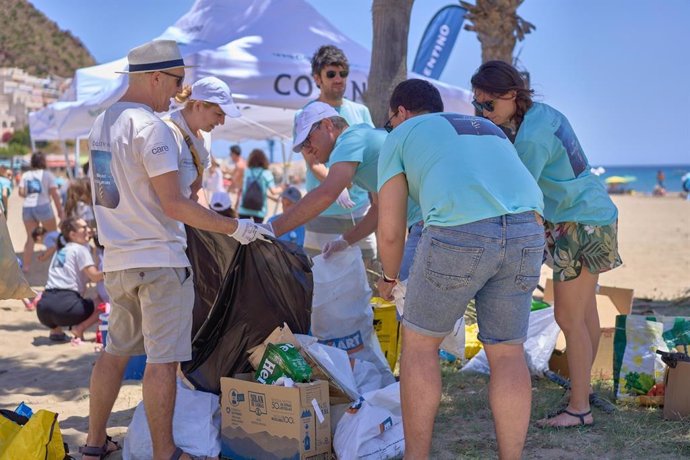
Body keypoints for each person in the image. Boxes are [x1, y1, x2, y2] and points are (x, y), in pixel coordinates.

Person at [81, 40, 271, 460]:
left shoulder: (101, 125)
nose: (177, 92)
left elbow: (107, 195)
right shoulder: (153, 127)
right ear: (155, 77)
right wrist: (233, 227)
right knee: (163, 362)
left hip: (118, 259)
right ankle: (165, 452)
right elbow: (175, 204)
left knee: (114, 352)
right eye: (177, 81)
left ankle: (95, 443)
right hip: (160, 260)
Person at [376, 79, 544, 459]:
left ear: (400, 113)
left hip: (459, 229)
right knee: (507, 352)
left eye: (390, 123)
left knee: (420, 346)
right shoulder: (486, 127)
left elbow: (389, 232)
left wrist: (389, 278)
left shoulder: (401, 136)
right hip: (529, 229)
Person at [471, 61, 622, 429]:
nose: (484, 113)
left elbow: (519, 195)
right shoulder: (543, 114)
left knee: (567, 317)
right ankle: (583, 392)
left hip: (580, 223)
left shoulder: (530, 140)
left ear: (511, 95)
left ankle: (579, 409)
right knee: (584, 313)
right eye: (478, 106)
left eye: (488, 105)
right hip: (592, 215)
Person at [269, 102, 424, 275]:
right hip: (426, 220)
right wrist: (344, 241)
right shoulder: (362, 134)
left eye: (307, 140)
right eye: (302, 147)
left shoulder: (347, 143)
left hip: (425, 223)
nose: (307, 150)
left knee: (407, 291)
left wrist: (272, 229)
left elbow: (326, 194)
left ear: (327, 125)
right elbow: (378, 208)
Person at [297, 45, 379, 261]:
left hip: (360, 209)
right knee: (320, 278)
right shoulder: (305, 114)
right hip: (322, 211)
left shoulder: (360, 111)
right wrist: (337, 185)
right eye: (331, 74)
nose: (338, 79)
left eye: (343, 74)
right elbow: (313, 162)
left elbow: (370, 159)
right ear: (317, 78)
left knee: (368, 274)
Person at [164, 76, 241, 207]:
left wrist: (208, 223)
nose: (222, 122)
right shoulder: (166, 132)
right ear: (198, 106)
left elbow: (196, 188)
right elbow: (169, 201)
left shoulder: (205, 136)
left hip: (181, 224)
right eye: (218, 114)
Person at [35, 217, 102, 342]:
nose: (89, 230)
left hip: (43, 309)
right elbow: (95, 276)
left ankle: (56, 331)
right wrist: (114, 270)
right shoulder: (80, 249)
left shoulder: (61, 250)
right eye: (84, 227)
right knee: (102, 302)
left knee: (60, 306)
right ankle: (80, 329)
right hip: (65, 309)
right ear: (72, 234)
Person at [18, 151, 64, 273]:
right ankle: (58, 265)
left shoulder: (26, 174)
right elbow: (55, 194)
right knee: (54, 236)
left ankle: (26, 267)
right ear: (43, 161)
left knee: (30, 238)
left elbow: (21, 192)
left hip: (28, 207)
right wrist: (60, 211)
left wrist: (32, 193)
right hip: (43, 205)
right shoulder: (47, 175)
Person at [236, 148, 284, 223]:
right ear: (264, 160)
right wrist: (282, 187)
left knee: (243, 233)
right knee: (257, 233)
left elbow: (239, 185)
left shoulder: (247, 171)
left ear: (250, 159)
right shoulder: (266, 173)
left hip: (244, 208)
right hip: (259, 210)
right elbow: (274, 192)